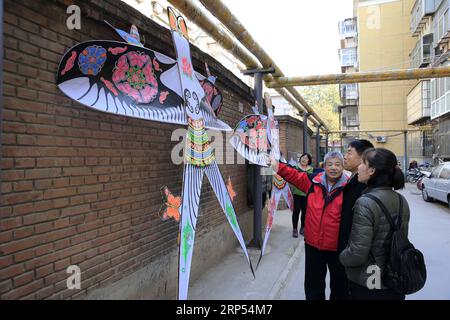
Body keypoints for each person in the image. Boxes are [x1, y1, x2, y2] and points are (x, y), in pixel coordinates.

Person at [271, 151, 349, 300]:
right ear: (324, 166)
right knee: (313, 287)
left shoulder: (349, 187)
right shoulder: (313, 182)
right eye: (330, 164)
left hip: (337, 248)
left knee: (339, 288)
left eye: (337, 164)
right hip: (313, 245)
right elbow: (294, 175)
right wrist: (277, 166)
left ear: (343, 166)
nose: (333, 168)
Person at [339, 148, 410, 300]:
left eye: (363, 163)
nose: (359, 167)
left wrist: (341, 257)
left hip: (371, 278)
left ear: (371, 170)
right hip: (395, 275)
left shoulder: (365, 202)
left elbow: (357, 254)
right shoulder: (401, 199)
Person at [290, 153, 313, 238]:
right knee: (296, 211)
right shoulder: (296, 168)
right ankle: (295, 229)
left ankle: (303, 228)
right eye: (303, 157)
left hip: (306, 194)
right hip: (297, 193)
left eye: (306, 158)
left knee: (305, 212)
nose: (304, 159)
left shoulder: (311, 170)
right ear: (300, 159)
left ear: (309, 161)